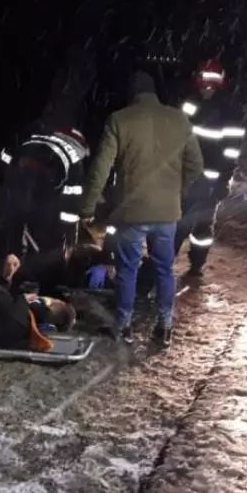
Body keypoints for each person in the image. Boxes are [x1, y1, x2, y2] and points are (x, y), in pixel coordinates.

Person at [79, 71, 204, 346]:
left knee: (128, 269)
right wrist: (177, 192)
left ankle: (124, 326)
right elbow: (196, 165)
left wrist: (87, 207)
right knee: (164, 268)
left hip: (132, 211)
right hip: (167, 212)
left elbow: (100, 168)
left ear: (131, 94)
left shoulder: (119, 120)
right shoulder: (178, 119)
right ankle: (165, 326)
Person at [174, 59, 246, 278]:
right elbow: (178, 134)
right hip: (189, 175)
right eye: (204, 82)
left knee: (198, 225)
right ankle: (168, 264)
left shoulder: (229, 109)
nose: (207, 88)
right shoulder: (193, 103)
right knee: (184, 222)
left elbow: (231, 149)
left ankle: (195, 264)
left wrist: (224, 178)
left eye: (210, 83)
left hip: (208, 178)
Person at [0, 126, 90, 257]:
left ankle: (8, 253)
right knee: (40, 226)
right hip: (45, 185)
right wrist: (69, 239)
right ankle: (31, 259)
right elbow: (70, 207)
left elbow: (5, 157)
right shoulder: (74, 160)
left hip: (17, 175)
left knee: (15, 216)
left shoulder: (34, 138)